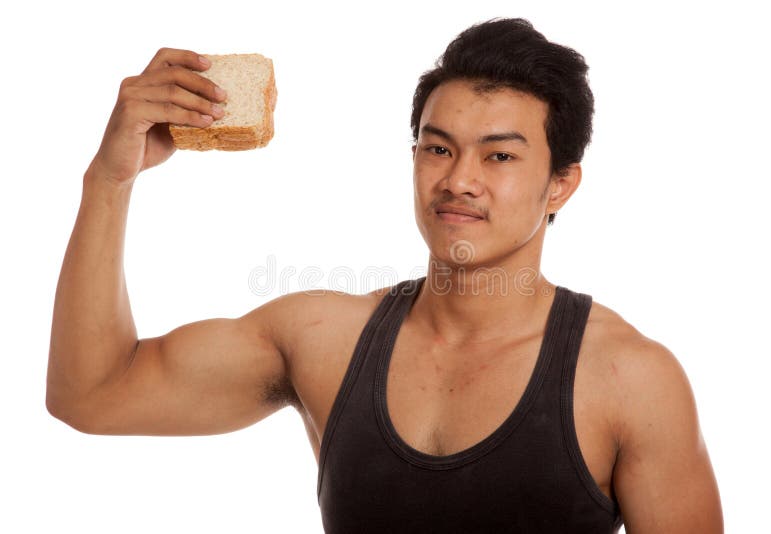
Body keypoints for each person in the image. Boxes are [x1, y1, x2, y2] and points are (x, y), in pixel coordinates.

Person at [46, 18, 723, 533]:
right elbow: (93, 394)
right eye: (438, 148)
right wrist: (109, 179)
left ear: (561, 185)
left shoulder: (629, 379)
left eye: (500, 157)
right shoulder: (323, 338)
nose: (459, 180)